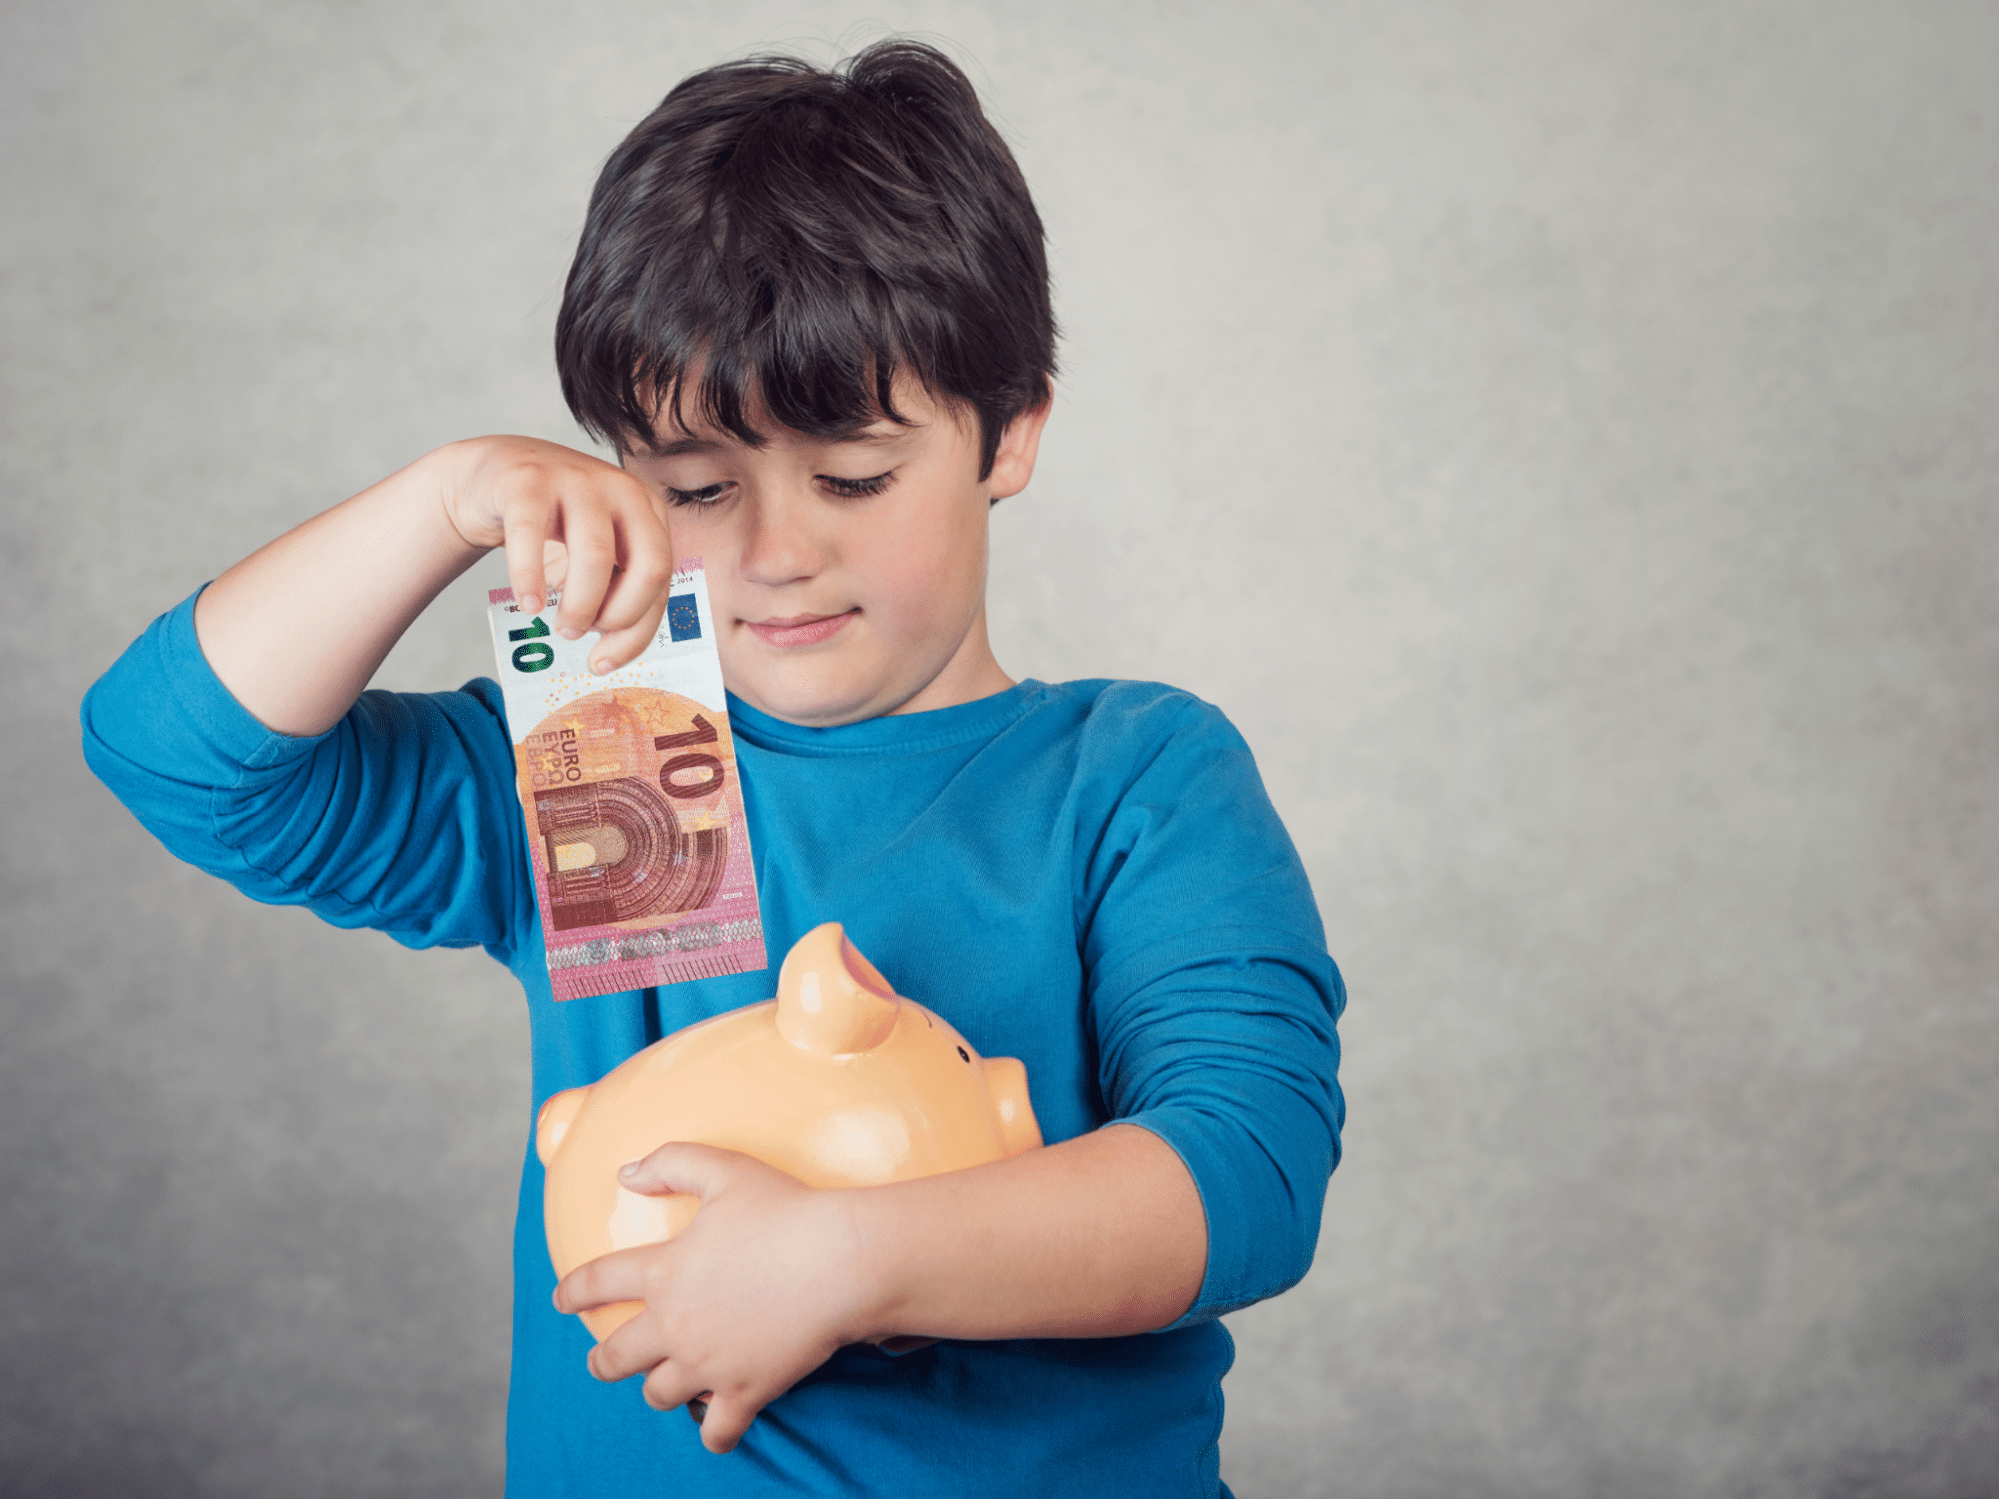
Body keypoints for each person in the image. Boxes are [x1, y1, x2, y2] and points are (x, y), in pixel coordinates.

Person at [80, 39, 1343, 1500]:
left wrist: (846, 1262)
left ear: (1013, 431)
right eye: (694, 490)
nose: (775, 552)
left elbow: (1248, 1173)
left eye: (855, 477)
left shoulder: (1134, 776)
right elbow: (175, 754)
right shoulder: (602, 763)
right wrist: (444, 502)